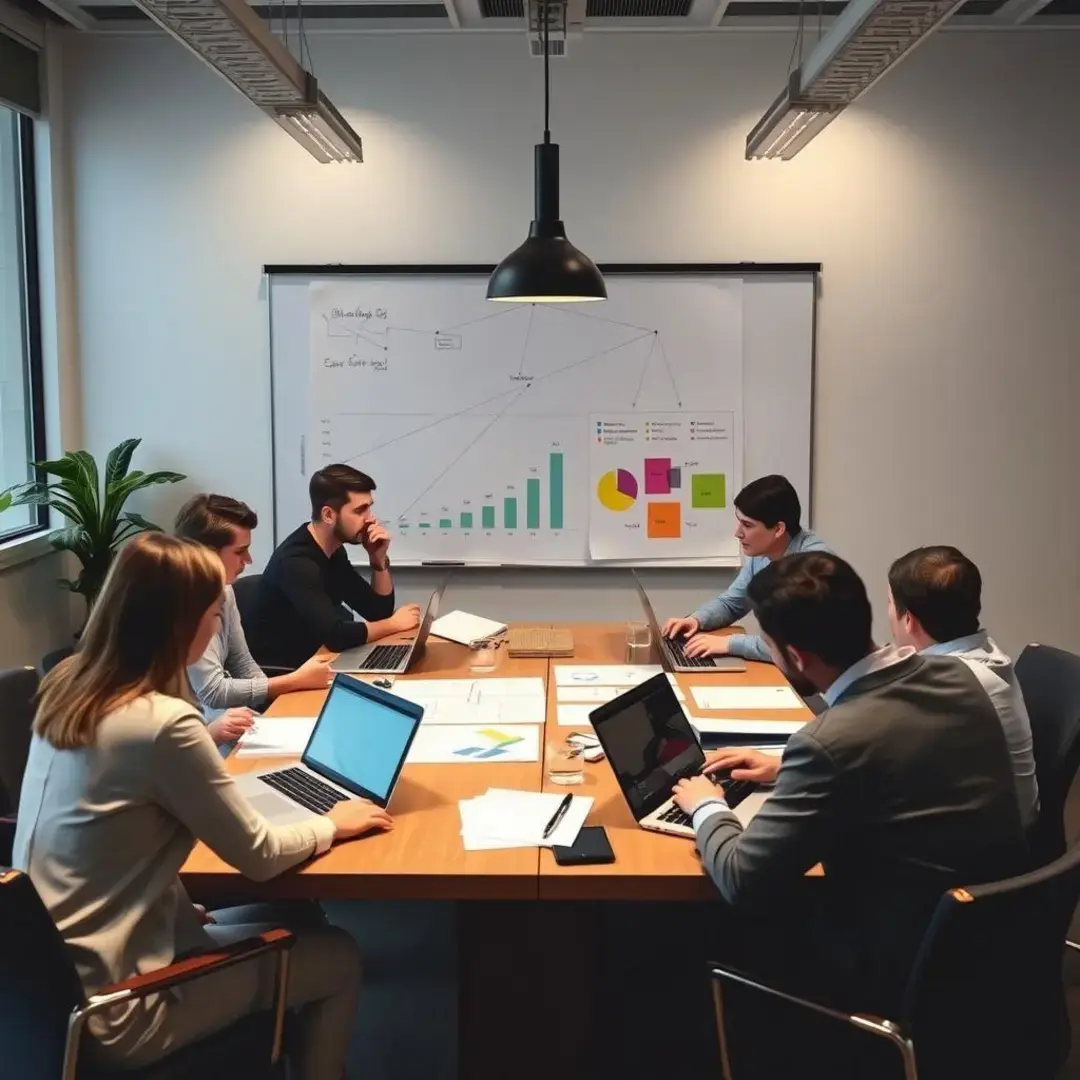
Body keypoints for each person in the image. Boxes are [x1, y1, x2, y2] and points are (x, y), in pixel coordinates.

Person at [13, 533, 392, 1078]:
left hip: (56, 987)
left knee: (290, 916)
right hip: (123, 1007)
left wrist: (168, 903)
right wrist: (331, 824)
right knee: (337, 956)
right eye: (213, 614)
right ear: (179, 622)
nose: (217, 624)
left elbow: (109, 835)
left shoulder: (70, 688)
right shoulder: (162, 722)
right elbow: (259, 856)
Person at [671, 552, 1027, 1014]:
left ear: (795, 657)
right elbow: (895, 754)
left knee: (684, 929)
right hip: (987, 941)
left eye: (770, 646)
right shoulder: (958, 677)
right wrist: (783, 768)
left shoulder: (829, 742)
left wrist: (705, 806)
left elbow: (742, 879)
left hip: (892, 964)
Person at [887, 545, 1039, 827]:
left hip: (985, 854)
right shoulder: (984, 652)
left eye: (889, 603)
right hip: (1001, 824)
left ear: (908, 619)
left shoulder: (946, 687)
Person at [175, 493, 333, 733]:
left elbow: (242, 663)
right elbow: (213, 692)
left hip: (222, 722)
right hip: (196, 734)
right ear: (206, 553)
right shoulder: (181, 603)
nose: (248, 560)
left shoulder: (225, 591)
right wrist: (293, 681)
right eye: (240, 552)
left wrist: (274, 712)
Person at [246, 465, 421, 670]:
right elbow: (336, 636)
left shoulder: (333, 552)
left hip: (321, 661)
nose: (370, 519)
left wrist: (378, 560)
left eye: (369, 507)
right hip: (287, 674)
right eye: (360, 510)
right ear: (329, 515)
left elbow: (377, 612)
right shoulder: (297, 562)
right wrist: (394, 624)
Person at [661, 474, 830, 663]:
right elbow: (732, 603)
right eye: (739, 521)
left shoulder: (814, 566)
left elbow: (795, 647)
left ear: (778, 529)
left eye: (747, 525)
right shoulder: (764, 555)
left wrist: (729, 644)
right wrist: (696, 620)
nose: (737, 533)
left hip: (827, 686)